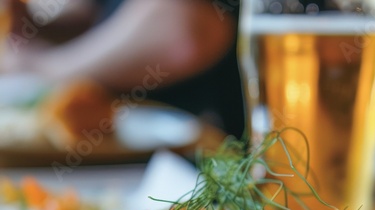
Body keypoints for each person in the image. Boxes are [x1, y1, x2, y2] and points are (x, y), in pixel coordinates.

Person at [1, 0, 245, 138]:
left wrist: (44, 68)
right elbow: (99, 18)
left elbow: (187, 32)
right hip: (117, 165)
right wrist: (32, 28)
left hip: (194, 168)